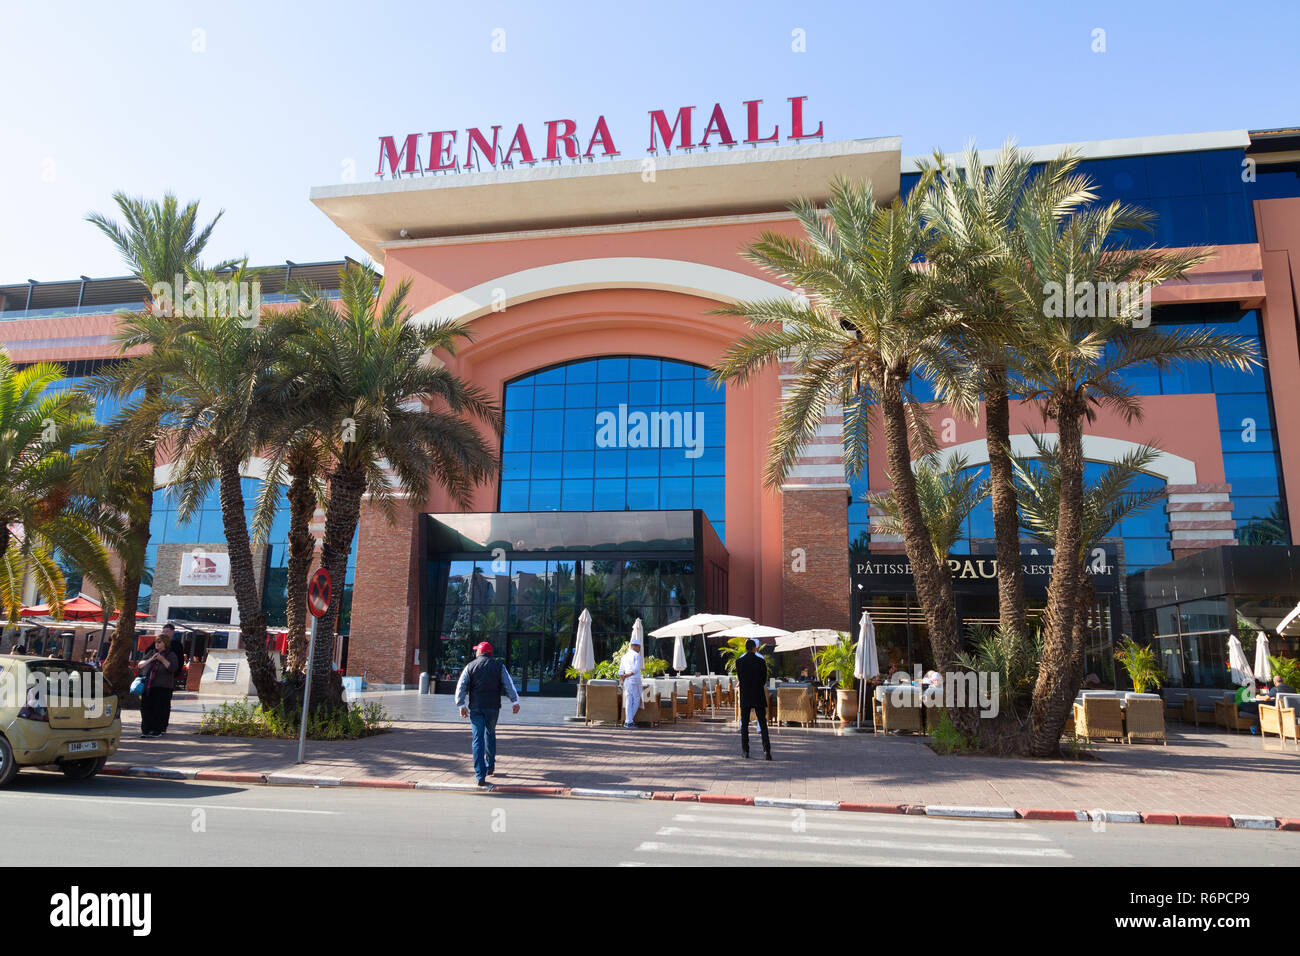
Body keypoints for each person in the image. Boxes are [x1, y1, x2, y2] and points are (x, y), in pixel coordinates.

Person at [455, 641, 520, 787]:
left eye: (476, 651)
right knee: (490, 733)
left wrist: (461, 704)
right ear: (490, 653)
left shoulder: (470, 666)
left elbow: (461, 686)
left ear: (479, 652)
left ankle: (480, 775)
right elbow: (508, 684)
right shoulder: (499, 666)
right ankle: (490, 766)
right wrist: (515, 702)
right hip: (493, 708)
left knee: (477, 738)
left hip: (476, 708)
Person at [138, 628, 179, 738]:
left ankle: (157, 730)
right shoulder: (152, 653)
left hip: (163, 687)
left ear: (165, 643)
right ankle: (146, 730)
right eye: (156, 642)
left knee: (159, 709)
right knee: (146, 708)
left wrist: (162, 660)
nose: (157, 644)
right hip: (149, 686)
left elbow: (173, 668)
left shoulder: (171, 655)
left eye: (159, 642)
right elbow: (140, 665)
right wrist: (151, 659)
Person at [735, 638, 771, 760]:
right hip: (758, 695)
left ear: (746, 648)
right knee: (763, 723)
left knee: (744, 725)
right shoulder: (761, 661)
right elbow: (763, 679)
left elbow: (740, 678)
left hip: (745, 695)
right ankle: (767, 752)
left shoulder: (739, 662)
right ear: (755, 648)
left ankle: (745, 751)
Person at [618, 637, 644, 729]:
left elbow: (620, 671)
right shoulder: (636, 656)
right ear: (635, 646)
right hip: (634, 680)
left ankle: (628, 722)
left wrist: (624, 677)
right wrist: (628, 675)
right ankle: (629, 721)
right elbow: (636, 669)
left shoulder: (624, 656)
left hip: (627, 681)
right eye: (639, 647)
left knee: (629, 700)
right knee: (637, 699)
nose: (640, 649)